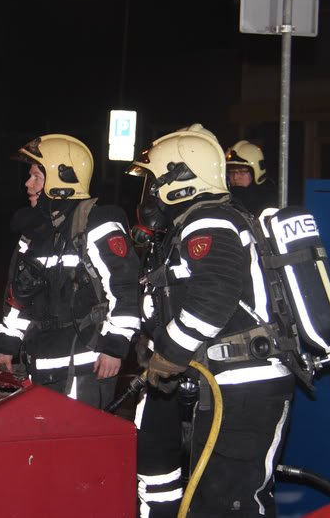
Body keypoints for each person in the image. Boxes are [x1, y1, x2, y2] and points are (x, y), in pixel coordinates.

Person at [129, 124, 295, 517]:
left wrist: (168, 354)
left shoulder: (211, 221)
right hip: (222, 383)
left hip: (245, 387)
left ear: (181, 179)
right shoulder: (196, 222)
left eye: (153, 181)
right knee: (207, 497)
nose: (149, 193)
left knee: (229, 503)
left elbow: (214, 296)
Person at [0, 134, 140, 409]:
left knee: (78, 448)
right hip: (40, 363)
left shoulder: (95, 224)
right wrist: (7, 346)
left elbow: (126, 288)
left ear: (63, 178)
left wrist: (115, 347)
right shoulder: (34, 233)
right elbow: (18, 296)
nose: (28, 184)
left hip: (85, 367)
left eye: (37, 176)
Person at [225, 140, 277, 216]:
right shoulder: (225, 199)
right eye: (231, 172)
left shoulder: (269, 204)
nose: (235, 177)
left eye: (242, 171)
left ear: (256, 171)